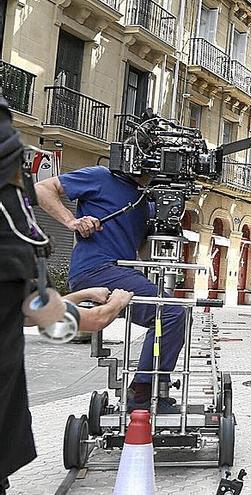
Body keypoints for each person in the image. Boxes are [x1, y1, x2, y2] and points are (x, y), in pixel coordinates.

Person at [0, 97, 133, 494]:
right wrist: (107, 310)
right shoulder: (9, 225)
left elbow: (20, 308)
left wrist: (79, 294)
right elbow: (52, 323)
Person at [35, 159, 187, 414]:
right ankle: (142, 393)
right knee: (170, 312)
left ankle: (151, 387)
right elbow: (41, 188)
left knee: (170, 312)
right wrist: (72, 221)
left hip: (118, 274)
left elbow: (142, 252)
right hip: (96, 271)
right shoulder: (100, 176)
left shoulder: (146, 200)